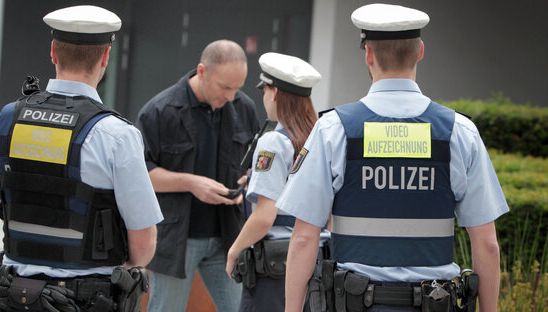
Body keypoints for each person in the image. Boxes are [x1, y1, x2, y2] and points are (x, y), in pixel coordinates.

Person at [279, 4, 509, 312]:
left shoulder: (333, 129)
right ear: (420, 52)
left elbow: (305, 239)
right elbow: (487, 244)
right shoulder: (458, 131)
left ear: (369, 55)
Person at [0, 5, 163, 312]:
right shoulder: (116, 134)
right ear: (106, 57)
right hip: (86, 299)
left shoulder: (9, 119)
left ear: (53, 52)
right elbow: (143, 245)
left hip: (16, 295)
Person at [136, 39, 260, 312]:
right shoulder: (160, 111)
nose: (230, 96)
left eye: (237, 88)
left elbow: (254, 161)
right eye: (224, 87)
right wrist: (190, 183)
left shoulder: (243, 106)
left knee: (242, 308)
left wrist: (251, 180)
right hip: (177, 238)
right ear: (202, 71)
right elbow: (140, 174)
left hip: (228, 236)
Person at [225, 52, 328, 312]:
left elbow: (264, 216)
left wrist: (234, 250)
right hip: (318, 261)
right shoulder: (322, 138)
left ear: (274, 93)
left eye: (265, 90)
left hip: (275, 269)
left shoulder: (274, 141)